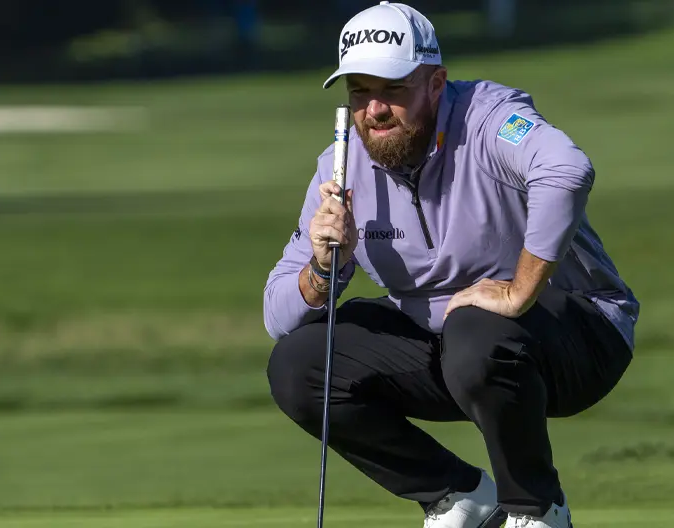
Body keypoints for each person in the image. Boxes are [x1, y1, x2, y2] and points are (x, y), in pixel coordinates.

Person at [263, 2, 638, 527]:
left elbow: (566, 170)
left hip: (579, 335)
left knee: (475, 329)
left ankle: (536, 509)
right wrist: (324, 269)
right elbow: (277, 314)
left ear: (436, 83)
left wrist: (517, 291)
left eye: (393, 90)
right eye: (360, 92)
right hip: (453, 352)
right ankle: (457, 496)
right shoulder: (341, 167)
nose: (374, 110)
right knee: (299, 363)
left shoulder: (489, 119)